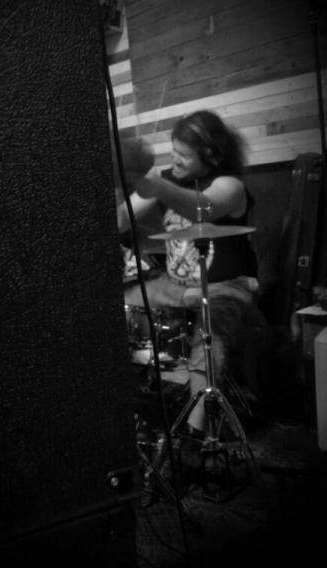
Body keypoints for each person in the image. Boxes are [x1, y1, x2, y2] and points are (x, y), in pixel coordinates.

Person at [116, 110, 268, 437]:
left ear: (210, 154)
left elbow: (203, 208)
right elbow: (121, 219)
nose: (174, 159)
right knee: (117, 303)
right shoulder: (167, 180)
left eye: (183, 155)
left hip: (226, 285)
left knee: (210, 334)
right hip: (175, 285)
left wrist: (157, 186)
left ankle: (196, 434)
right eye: (173, 151)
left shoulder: (230, 185)